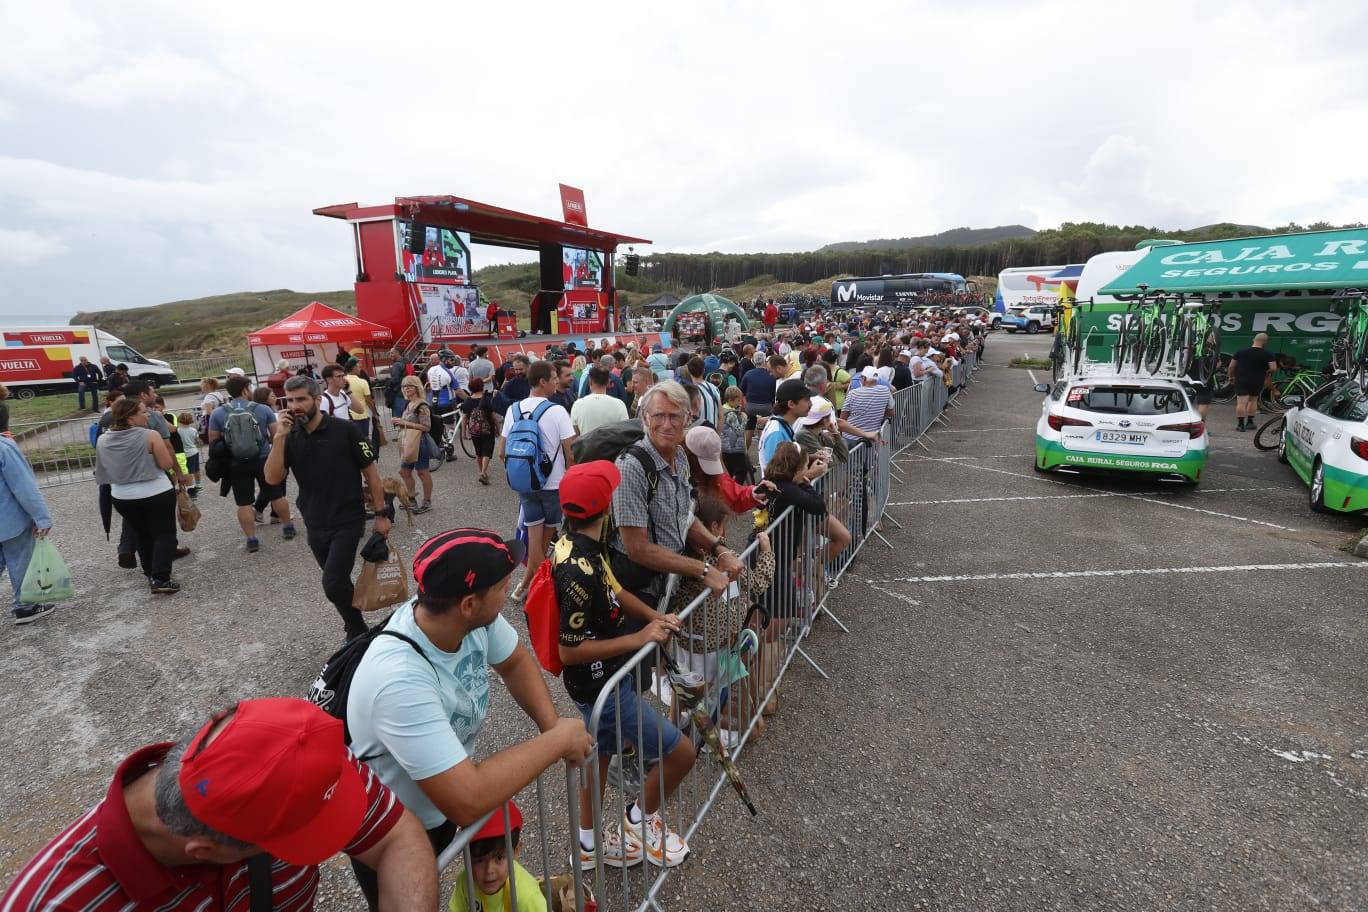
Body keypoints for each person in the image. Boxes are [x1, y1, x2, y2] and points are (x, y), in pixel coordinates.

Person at [345, 528, 594, 906]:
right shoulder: (398, 680)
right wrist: (557, 740)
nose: (512, 586)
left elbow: (514, 662)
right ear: (468, 604)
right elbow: (467, 797)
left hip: (437, 794)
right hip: (392, 827)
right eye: (501, 585)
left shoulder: (468, 619)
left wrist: (552, 723)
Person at [0, 697, 437, 912]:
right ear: (206, 853)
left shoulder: (293, 760)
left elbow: (395, 837)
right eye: (296, 843)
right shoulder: (54, 903)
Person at [554, 461, 694, 869]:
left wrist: (653, 617)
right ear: (607, 506)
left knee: (598, 757)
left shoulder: (579, 543)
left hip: (604, 683)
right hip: (602, 687)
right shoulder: (576, 572)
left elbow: (614, 588)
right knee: (682, 753)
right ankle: (640, 820)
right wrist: (638, 638)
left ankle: (587, 846)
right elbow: (569, 650)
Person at [264, 376, 390, 641]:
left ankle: (357, 631)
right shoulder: (288, 436)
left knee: (332, 583)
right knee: (339, 582)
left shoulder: (345, 430)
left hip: (347, 519)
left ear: (317, 400)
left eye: (301, 399)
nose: (295, 405)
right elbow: (273, 478)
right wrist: (279, 438)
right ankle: (357, 628)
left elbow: (372, 474)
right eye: (290, 400)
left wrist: (381, 514)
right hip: (314, 521)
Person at [610, 380, 740, 618]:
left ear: (688, 418)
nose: (667, 425)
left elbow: (684, 517)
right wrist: (703, 569)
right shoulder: (630, 467)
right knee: (641, 654)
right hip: (638, 594)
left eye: (674, 416)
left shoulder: (679, 456)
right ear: (646, 419)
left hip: (668, 584)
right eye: (659, 416)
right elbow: (636, 548)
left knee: (661, 651)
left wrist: (718, 548)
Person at [499, 361, 577, 599]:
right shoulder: (556, 411)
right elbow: (570, 452)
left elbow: (502, 451)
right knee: (544, 538)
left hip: (525, 483)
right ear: (542, 382)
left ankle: (526, 583)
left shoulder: (513, 410)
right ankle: (538, 588)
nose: (556, 382)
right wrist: (570, 478)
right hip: (553, 484)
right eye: (554, 378)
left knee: (535, 538)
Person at [95, 398, 182, 595]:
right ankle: (161, 578)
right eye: (143, 412)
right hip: (155, 491)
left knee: (142, 534)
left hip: (122, 495)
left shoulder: (103, 440)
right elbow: (166, 463)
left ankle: (151, 573)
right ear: (130, 418)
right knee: (164, 534)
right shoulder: (150, 435)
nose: (148, 414)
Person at [208, 375, 295, 553]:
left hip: (236, 463)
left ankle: (252, 539)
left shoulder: (218, 412)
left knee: (244, 503)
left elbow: (213, 442)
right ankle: (287, 527)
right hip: (263, 459)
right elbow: (275, 435)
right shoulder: (262, 409)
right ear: (245, 390)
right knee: (276, 495)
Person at [448, 802, 545, 912]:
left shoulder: (527, 897)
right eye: (480, 860)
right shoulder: (465, 882)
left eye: (499, 858)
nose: (489, 871)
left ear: (516, 851)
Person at [0, 433, 54, 624]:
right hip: (9, 519)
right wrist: (41, 516)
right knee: (21, 562)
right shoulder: (4, 447)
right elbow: (23, 486)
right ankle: (25, 607)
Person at [393, 375, 435, 513]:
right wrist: (399, 420)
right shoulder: (408, 403)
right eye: (404, 386)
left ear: (416, 388)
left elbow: (426, 427)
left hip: (419, 442)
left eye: (409, 386)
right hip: (409, 442)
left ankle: (427, 501)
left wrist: (405, 423)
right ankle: (411, 499)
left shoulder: (422, 405)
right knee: (404, 471)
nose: (406, 389)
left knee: (423, 472)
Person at [758, 378, 811, 477]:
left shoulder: (781, 425)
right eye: (806, 400)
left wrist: (811, 458)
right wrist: (810, 473)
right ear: (791, 404)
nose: (810, 404)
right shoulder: (777, 432)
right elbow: (775, 474)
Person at [1231, 332, 1279, 431]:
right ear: (1265, 342)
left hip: (1242, 379)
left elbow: (1231, 366)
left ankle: (1240, 425)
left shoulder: (1241, 352)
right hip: (1258, 380)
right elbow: (1273, 368)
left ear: (1254, 339)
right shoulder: (1268, 354)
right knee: (1253, 401)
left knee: (1241, 403)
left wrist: (1231, 376)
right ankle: (1250, 423)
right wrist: (1267, 372)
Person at [457, 376, 498, 486]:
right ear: (482, 386)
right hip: (488, 430)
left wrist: (463, 432)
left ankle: (481, 471)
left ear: (470, 388)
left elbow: (464, 418)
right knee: (487, 451)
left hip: (474, 431)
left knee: (478, 452)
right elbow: (494, 417)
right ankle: (483, 472)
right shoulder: (487, 400)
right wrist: (498, 429)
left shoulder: (468, 401)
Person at [739, 354, 785, 452]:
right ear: (765, 361)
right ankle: (763, 452)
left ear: (753, 361)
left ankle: (745, 453)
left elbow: (741, 392)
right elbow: (774, 394)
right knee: (764, 430)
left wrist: (744, 405)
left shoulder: (748, 374)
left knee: (749, 428)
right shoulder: (771, 374)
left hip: (750, 407)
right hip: (767, 407)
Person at [570, 365, 629, 436]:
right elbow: (625, 432)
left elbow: (575, 434)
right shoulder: (619, 404)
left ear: (590, 382)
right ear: (608, 382)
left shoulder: (577, 404)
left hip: (586, 446)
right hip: (612, 446)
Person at [795, 396, 851, 464]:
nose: (831, 420)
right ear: (824, 420)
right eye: (830, 416)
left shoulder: (820, 433)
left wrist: (835, 433)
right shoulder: (804, 435)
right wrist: (837, 457)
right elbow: (829, 461)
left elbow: (844, 457)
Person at [719, 385, 752, 482]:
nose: (740, 402)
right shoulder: (731, 414)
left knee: (729, 471)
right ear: (731, 399)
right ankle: (737, 490)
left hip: (725, 447)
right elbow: (739, 431)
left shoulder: (722, 410)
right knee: (742, 471)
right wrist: (744, 419)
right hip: (734, 448)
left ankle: (728, 492)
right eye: (738, 400)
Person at [346, 357, 376, 443]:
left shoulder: (342, 381)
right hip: (362, 416)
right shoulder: (362, 382)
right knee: (364, 440)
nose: (360, 368)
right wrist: (374, 414)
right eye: (358, 366)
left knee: (352, 441)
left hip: (348, 416)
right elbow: (369, 401)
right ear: (354, 367)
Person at [686, 356, 721, 427]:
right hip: (712, 433)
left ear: (689, 371)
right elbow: (720, 416)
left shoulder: (689, 391)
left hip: (696, 434)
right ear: (704, 370)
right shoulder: (714, 388)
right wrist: (717, 434)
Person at [175, 412, 202, 495]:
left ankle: (191, 488)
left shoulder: (178, 431)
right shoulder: (193, 430)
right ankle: (198, 485)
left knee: (188, 472)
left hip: (185, 453)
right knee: (196, 470)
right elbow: (197, 441)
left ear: (179, 420)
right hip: (194, 451)